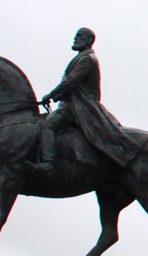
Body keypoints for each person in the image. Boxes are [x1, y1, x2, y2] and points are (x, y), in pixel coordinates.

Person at [30, 27, 141, 174]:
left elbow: (70, 82)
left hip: (79, 106)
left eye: (80, 36)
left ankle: (48, 163)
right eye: (75, 36)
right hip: (70, 104)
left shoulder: (88, 59)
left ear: (89, 40)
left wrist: (51, 95)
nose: (75, 39)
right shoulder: (82, 57)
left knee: (47, 126)